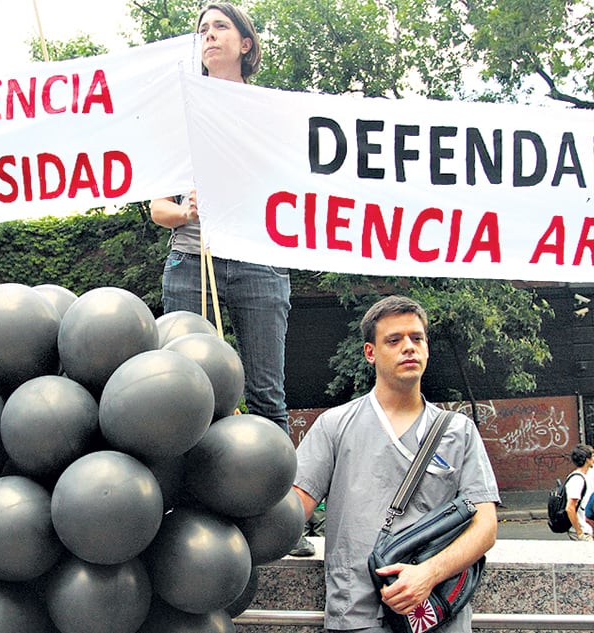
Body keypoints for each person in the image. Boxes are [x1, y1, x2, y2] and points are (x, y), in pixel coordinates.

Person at [293, 295, 499, 632]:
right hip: (357, 612)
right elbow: (293, 507)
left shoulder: (457, 431)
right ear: (370, 353)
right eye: (394, 339)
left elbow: (486, 526)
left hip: (433, 614)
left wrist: (429, 573)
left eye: (417, 338)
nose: (409, 347)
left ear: (428, 348)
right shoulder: (335, 426)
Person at [149, 3, 291, 437]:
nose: (209, 35)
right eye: (203, 29)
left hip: (259, 262)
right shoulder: (179, 116)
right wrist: (187, 211)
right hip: (191, 261)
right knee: (188, 392)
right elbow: (159, 209)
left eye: (220, 27)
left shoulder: (272, 111)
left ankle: (278, 500)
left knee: (267, 394)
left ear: (244, 43)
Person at [564, 444, 594, 541]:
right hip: (583, 530)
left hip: (586, 529)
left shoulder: (584, 477)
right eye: (593, 456)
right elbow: (570, 508)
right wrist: (579, 532)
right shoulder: (577, 479)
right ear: (587, 459)